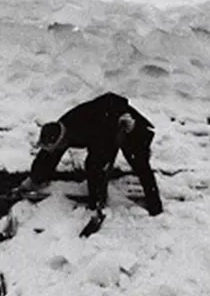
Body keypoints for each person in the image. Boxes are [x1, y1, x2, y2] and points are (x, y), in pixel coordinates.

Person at [17, 93, 163, 217]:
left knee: (137, 161)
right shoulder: (61, 127)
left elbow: (97, 160)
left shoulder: (87, 129)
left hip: (125, 125)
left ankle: (155, 206)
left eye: (56, 146)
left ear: (62, 141)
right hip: (105, 120)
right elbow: (48, 155)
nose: (55, 149)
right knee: (94, 164)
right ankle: (98, 198)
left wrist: (95, 203)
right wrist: (33, 179)